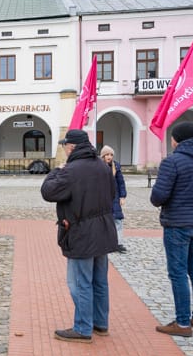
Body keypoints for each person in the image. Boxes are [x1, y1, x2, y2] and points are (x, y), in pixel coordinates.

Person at [41, 129, 117, 343]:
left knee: (80, 282)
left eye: (65, 145)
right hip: (103, 229)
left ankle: (83, 328)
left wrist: (56, 171)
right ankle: (100, 324)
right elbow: (112, 194)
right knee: (100, 281)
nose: (64, 149)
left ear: (71, 147)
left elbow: (48, 192)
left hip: (82, 232)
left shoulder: (71, 170)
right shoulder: (103, 167)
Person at [150, 121, 193, 337]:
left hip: (178, 223)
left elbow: (158, 196)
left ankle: (182, 323)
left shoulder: (173, 161)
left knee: (178, 273)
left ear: (176, 139)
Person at [100, 146, 128, 253]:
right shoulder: (99, 166)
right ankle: (104, 242)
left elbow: (121, 182)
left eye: (111, 155)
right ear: (103, 156)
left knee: (118, 220)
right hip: (103, 198)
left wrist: (122, 196)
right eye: (107, 154)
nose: (109, 157)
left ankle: (118, 243)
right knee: (104, 220)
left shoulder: (116, 166)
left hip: (115, 197)